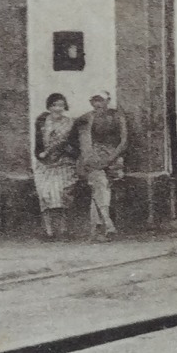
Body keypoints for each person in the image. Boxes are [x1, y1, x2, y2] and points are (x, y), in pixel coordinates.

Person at [76, 90, 128, 241]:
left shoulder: (118, 116)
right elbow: (79, 138)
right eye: (95, 101)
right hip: (94, 158)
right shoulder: (87, 118)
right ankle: (108, 223)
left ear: (108, 101)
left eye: (101, 100)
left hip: (114, 158)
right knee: (100, 183)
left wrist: (111, 158)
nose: (98, 104)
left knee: (100, 189)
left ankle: (97, 229)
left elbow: (124, 141)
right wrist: (89, 156)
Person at [33, 93, 78, 239]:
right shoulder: (42, 122)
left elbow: (75, 146)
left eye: (60, 105)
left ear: (64, 106)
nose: (57, 108)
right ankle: (48, 231)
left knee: (62, 195)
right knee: (45, 195)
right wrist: (41, 155)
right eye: (54, 105)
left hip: (64, 163)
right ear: (49, 106)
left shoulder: (70, 123)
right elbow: (38, 144)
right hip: (45, 164)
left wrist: (64, 150)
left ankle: (64, 230)